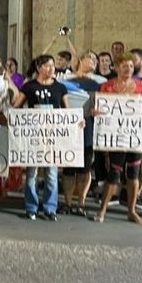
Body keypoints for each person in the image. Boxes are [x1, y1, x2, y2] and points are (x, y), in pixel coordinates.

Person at [94, 52, 142, 226]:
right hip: (116, 136)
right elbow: (99, 107)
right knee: (114, 173)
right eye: (124, 66)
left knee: (133, 174)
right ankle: (102, 209)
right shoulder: (107, 86)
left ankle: (131, 211)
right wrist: (96, 112)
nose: (128, 69)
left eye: (131, 66)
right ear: (117, 68)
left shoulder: (140, 86)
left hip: (135, 136)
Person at [12, 54, 68, 221]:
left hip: (52, 136)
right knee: (32, 173)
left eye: (53, 66)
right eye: (47, 66)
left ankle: (50, 208)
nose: (51, 69)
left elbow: (68, 112)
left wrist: (77, 122)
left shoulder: (60, 88)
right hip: (34, 136)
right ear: (39, 68)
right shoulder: (29, 87)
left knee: (51, 173)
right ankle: (31, 207)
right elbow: (17, 107)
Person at [61, 51, 102, 216]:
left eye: (95, 60)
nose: (93, 61)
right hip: (69, 126)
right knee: (69, 166)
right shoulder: (64, 80)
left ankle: (81, 203)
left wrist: (97, 111)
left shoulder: (99, 83)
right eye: (89, 57)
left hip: (89, 126)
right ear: (80, 60)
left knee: (85, 167)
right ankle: (67, 202)